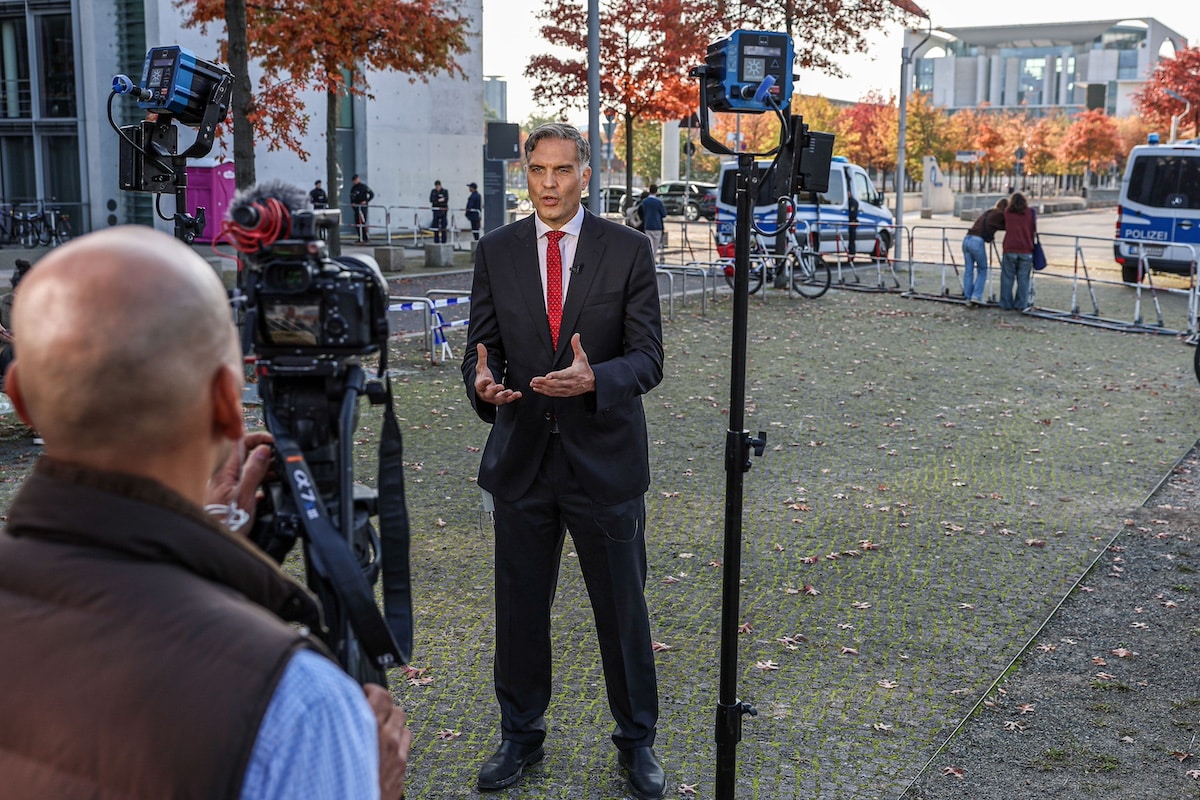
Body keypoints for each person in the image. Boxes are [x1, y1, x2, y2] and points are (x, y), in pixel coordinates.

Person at [0, 227, 410, 799]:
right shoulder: (295, 703)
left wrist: (208, 545)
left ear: (20, 396)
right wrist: (367, 787)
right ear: (226, 402)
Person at [461, 123, 666, 800]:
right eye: (538, 170)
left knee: (622, 611)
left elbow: (648, 358)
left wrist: (596, 379)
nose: (548, 183)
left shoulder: (628, 250)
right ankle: (521, 735)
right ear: (527, 172)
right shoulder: (495, 250)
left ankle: (636, 742)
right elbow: (480, 351)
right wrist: (482, 388)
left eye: (562, 170)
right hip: (521, 459)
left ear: (586, 173)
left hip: (604, 461)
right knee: (519, 611)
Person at [961, 197, 1007, 306]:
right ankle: (976, 295)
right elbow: (1006, 225)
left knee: (969, 270)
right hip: (977, 241)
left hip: (967, 239)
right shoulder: (1000, 215)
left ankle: (968, 297)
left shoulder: (989, 212)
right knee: (982, 269)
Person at [1000, 192, 1038, 310]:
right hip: (1026, 249)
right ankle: (1021, 304)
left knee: (1007, 277)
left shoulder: (1007, 212)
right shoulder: (1031, 212)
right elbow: (1034, 228)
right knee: (1023, 279)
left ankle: (1006, 304)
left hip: (1010, 248)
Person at [640, 184, 666, 264]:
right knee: (655, 246)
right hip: (657, 226)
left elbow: (642, 213)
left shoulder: (645, 202)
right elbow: (664, 214)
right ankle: (653, 262)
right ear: (656, 191)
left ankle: (650, 262)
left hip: (648, 225)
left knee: (649, 246)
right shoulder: (659, 202)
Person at [350, 174, 375, 243]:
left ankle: (365, 237)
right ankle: (360, 237)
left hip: (362, 207)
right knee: (357, 223)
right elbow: (352, 197)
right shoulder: (353, 188)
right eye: (354, 180)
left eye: (356, 180)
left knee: (363, 222)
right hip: (356, 207)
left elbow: (372, 194)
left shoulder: (363, 187)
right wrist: (353, 203)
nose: (355, 181)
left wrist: (366, 201)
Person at [430, 179, 450, 244]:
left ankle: (444, 241)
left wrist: (438, 201)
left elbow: (445, 200)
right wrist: (439, 200)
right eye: (436, 186)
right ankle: (436, 241)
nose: (437, 188)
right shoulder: (433, 191)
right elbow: (432, 200)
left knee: (443, 226)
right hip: (436, 211)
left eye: (438, 186)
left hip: (443, 211)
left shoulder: (445, 191)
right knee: (435, 227)